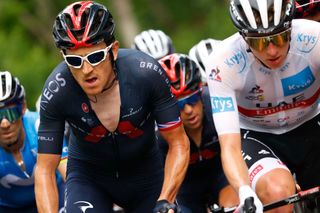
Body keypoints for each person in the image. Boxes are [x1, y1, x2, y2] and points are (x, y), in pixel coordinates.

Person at [35, 1, 189, 213]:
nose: (86, 69)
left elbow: (179, 142)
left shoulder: (146, 73)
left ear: (113, 50)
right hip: (89, 179)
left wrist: (166, 199)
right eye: (74, 61)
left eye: (95, 57)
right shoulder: (56, 91)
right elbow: (44, 170)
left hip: (147, 176)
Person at [204, 0, 320, 212]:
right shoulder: (222, 62)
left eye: (278, 37)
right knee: (277, 193)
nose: (272, 50)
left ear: (290, 28)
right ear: (244, 38)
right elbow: (229, 145)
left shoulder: (315, 38)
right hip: (257, 135)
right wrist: (244, 191)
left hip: (311, 123)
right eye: (258, 42)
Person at [157, 53, 239, 213]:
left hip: (222, 176)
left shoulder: (217, 106)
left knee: (234, 207)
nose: (188, 110)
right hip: (185, 188)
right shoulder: (158, 132)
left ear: (201, 92)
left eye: (192, 99)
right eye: (178, 105)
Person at [0, 71, 67, 213]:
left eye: (11, 113)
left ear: (23, 108)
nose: (5, 124)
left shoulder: (40, 125)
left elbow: (70, 173)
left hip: (56, 194)